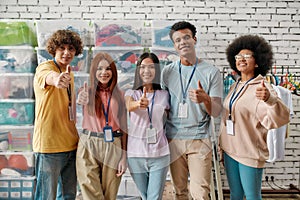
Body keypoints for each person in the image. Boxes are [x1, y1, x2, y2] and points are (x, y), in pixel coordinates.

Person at [219, 34, 290, 200]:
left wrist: (269, 99)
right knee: (235, 195)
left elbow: (282, 117)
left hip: (250, 152)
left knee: (252, 196)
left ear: (257, 62)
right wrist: (222, 145)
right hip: (230, 150)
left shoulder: (263, 86)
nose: (241, 59)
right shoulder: (235, 85)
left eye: (247, 56)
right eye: (238, 56)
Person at [161, 21, 223, 199]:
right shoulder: (167, 72)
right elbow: (163, 108)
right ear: (174, 45)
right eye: (178, 40)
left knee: (200, 193)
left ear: (194, 39)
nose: (183, 42)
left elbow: (217, 111)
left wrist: (206, 99)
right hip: (173, 139)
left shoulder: (211, 72)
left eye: (186, 37)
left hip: (199, 139)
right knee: (179, 191)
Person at [33, 29, 83, 200]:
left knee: (69, 196)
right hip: (49, 147)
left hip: (70, 144)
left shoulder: (71, 74)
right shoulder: (44, 68)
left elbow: (71, 109)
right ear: (54, 49)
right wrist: (57, 79)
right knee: (46, 196)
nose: (67, 52)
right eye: (62, 48)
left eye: (71, 48)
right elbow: (50, 77)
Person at [76, 52, 127, 200]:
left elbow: (124, 127)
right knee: (90, 191)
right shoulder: (86, 92)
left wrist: (124, 156)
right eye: (99, 69)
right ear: (94, 71)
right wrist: (81, 98)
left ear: (113, 71)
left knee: (109, 193)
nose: (104, 73)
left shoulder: (120, 95)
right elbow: (80, 100)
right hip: (89, 143)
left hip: (113, 145)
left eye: (108, 69)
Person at [125, 52, 170, 200]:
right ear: (138, 70)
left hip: (160, 154)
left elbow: (170, 118)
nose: (147, 71)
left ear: (157, 70)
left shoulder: (164, 95)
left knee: (154, 197)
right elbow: (129, 105)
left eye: (151, 67)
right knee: (144, 196)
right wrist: (138, 104)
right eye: (143, 67)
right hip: (136, 154)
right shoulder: (131, 93)